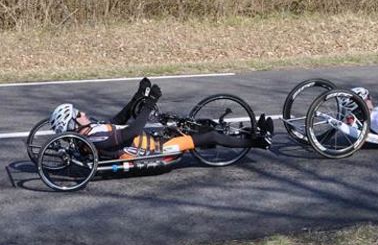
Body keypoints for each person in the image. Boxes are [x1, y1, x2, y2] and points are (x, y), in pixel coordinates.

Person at [49, 78, 274, 161]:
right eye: (78, 115)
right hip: (156, 151)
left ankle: (249, 133)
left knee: (195, 126)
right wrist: (150, 102)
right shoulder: (95, 138)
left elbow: (120, 119)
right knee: (209, 136)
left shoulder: (91, 131)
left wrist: (138, 95)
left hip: (150, 141)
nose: (83, 113)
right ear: (72, 124)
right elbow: (132, 131)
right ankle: (260, 142)